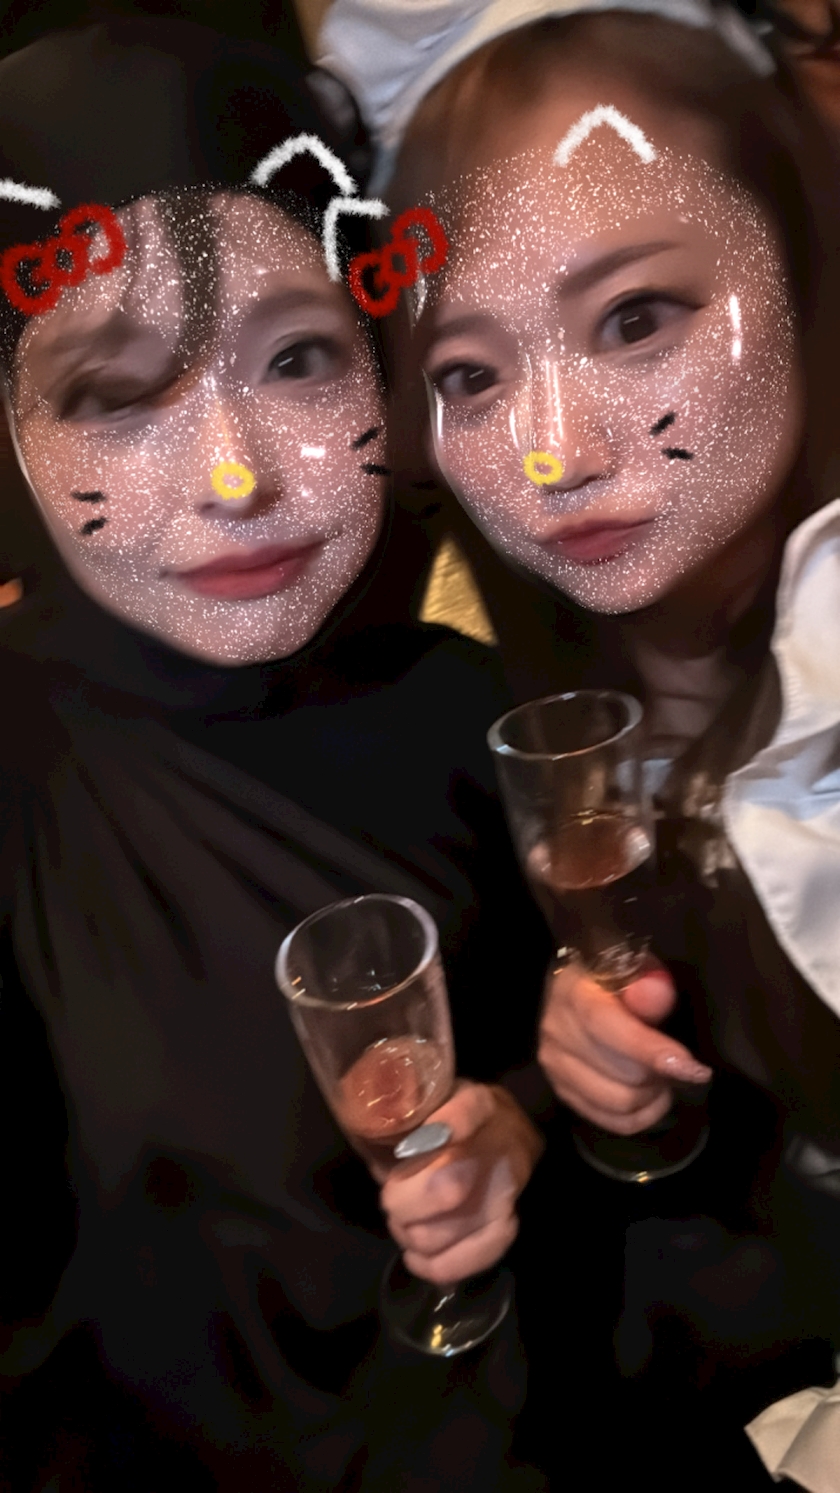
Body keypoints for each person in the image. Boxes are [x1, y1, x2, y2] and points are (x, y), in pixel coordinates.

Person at [0, 15, 550, 1491]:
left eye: (298, 357)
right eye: (117, 394)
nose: (237, 472)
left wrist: (527, 1123)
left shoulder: (467, 704)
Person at [318, 0, 840, 1485]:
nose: (552, 448)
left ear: (802, 262)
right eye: (470, 374)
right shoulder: (532, 681)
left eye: (634, 317)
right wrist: (558, 1086)